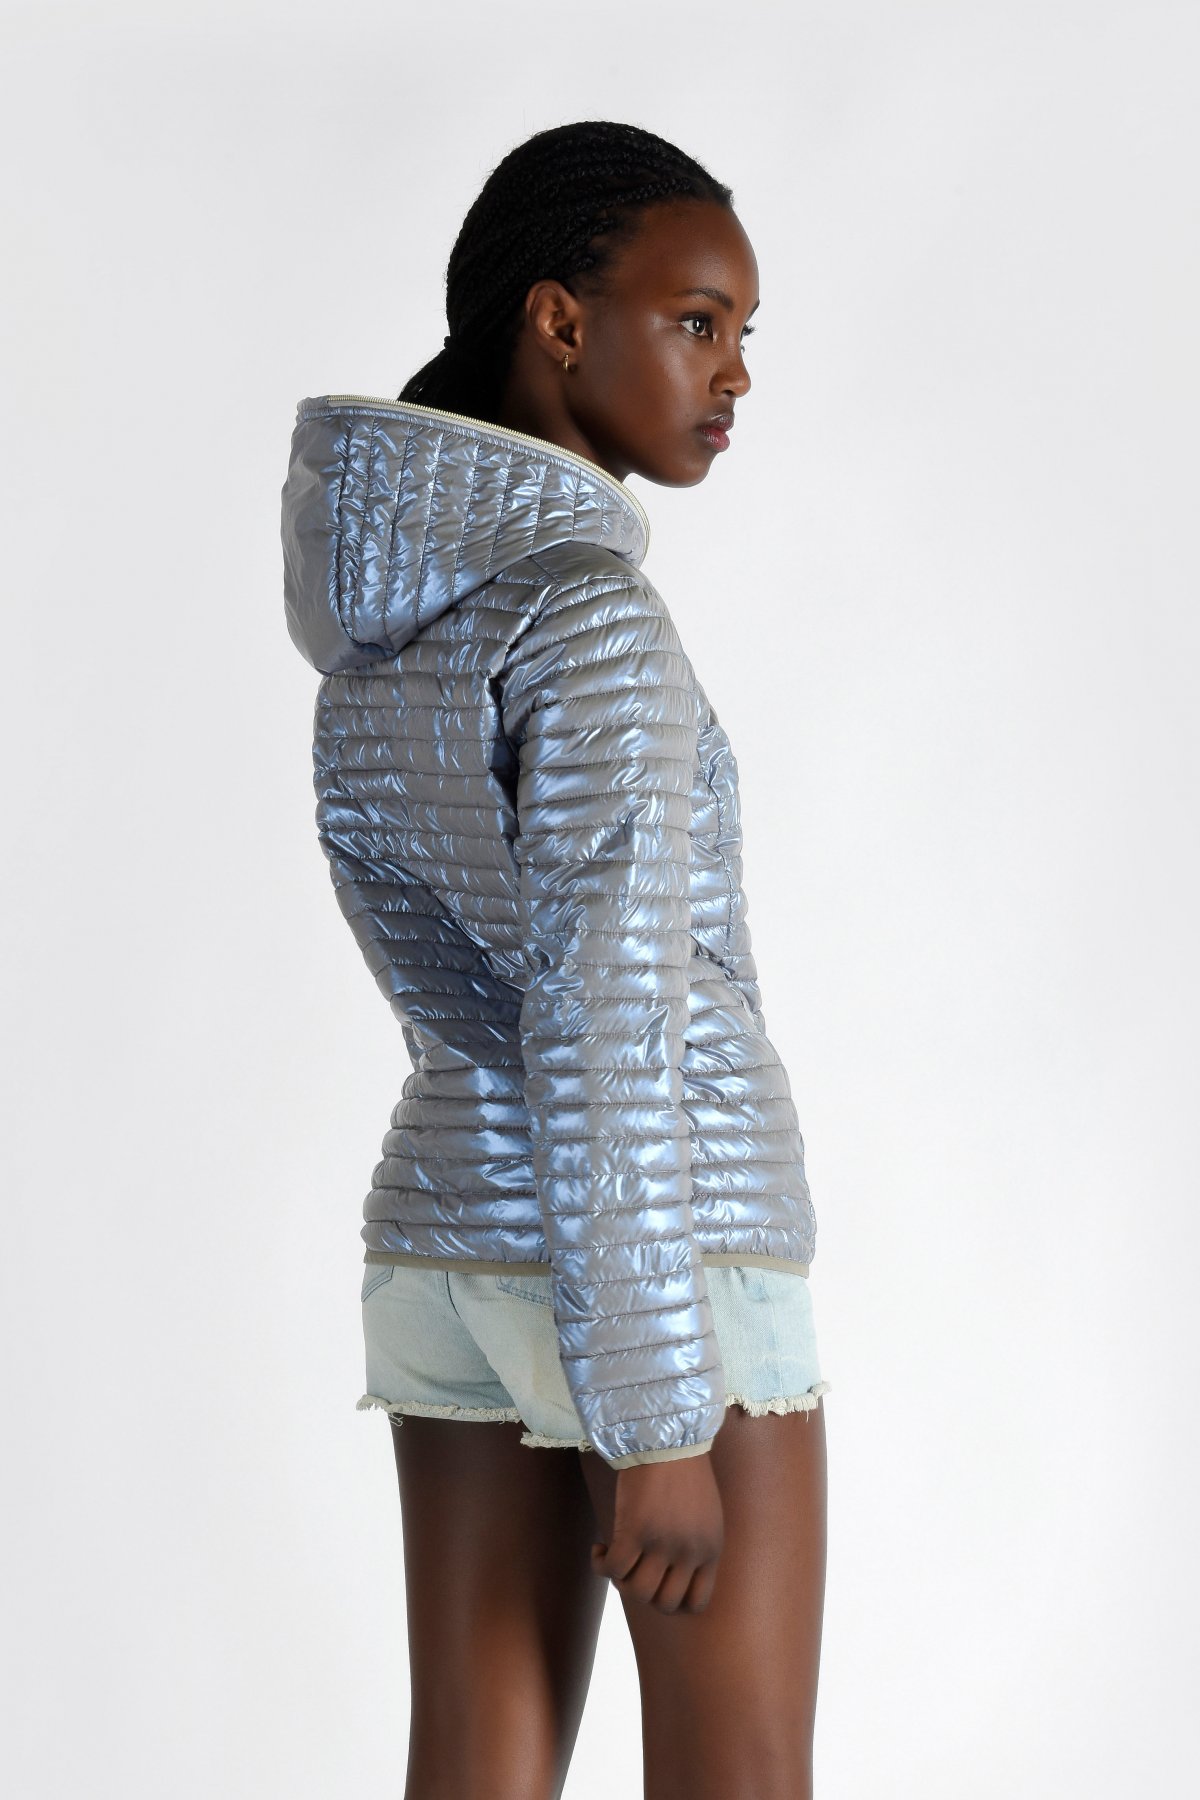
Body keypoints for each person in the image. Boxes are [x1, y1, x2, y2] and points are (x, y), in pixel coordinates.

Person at [282, 119, 830, 1800]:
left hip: (450, 1244)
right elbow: (606, 1021)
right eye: (698, 320)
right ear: (561, 320)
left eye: (744, 333)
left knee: (474, 1766)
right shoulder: (589, 616)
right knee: (739, 1776)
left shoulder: (383, 635)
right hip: (663, 1262)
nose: (735, 373)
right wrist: (656, 1420)